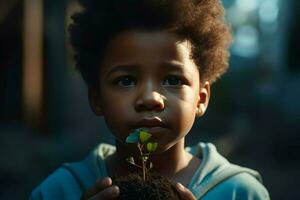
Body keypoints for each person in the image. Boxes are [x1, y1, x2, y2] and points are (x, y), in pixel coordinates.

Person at [30, 0, 270, 199]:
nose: (150, 98)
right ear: (97, 98)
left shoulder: (241, 192)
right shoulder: (58, 191)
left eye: (173, 80)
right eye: (126, 81)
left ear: (201, 98)